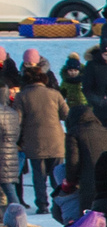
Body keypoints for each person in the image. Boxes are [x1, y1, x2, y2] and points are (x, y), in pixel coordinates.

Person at [18, 58, 61, 213]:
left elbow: (17, 119)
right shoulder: (54, 94)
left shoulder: (22, 96)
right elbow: (66, 114)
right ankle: (60, 202)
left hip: (34, 141)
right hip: (56, 140)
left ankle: (42, 205)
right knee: (57, 174)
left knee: (39, 175)